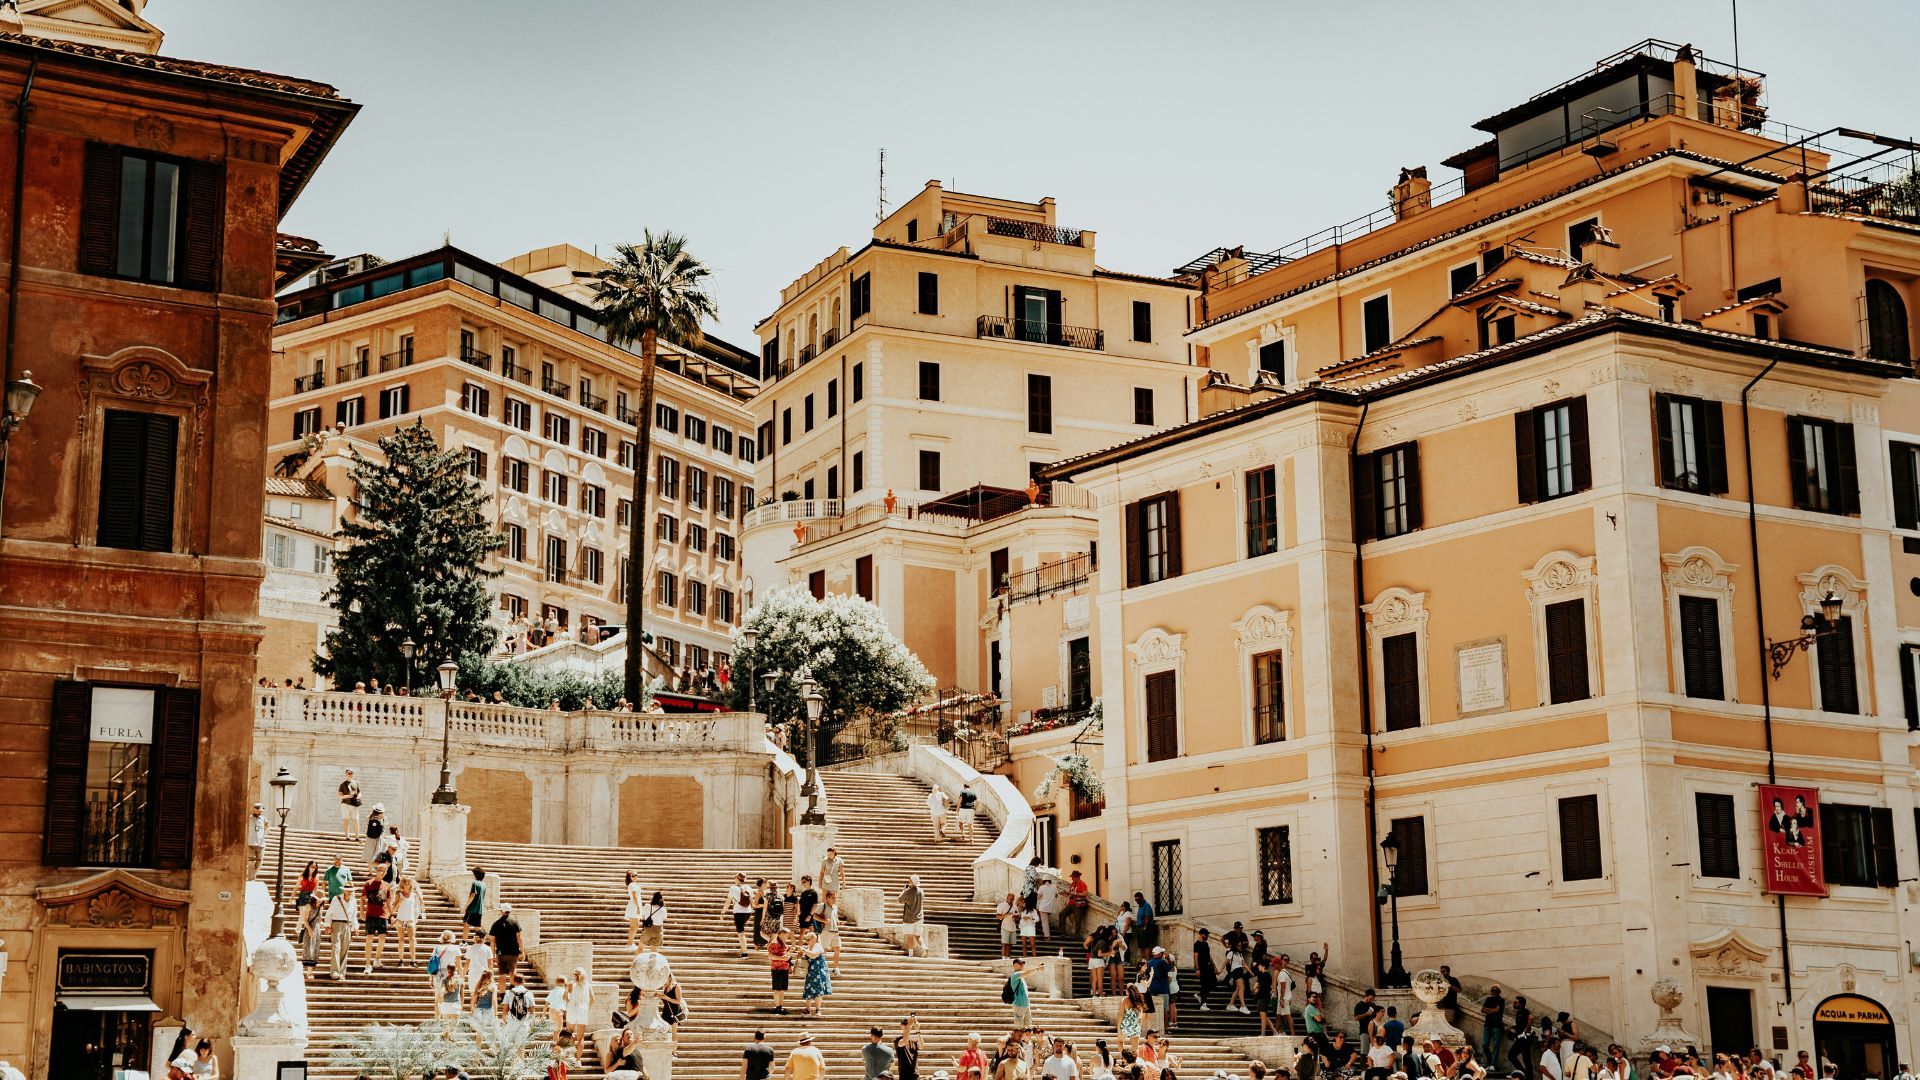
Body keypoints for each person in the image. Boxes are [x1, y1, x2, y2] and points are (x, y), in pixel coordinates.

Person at [489, 903, 523, 1001]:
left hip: (501, 953)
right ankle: (512, 991)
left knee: (502, 975)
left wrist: (493, 955)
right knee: (513, 972)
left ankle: (503, 996)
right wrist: (522, 951)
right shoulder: (515, 922)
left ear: (501, 911)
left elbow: (492, 940)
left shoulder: (496, 923)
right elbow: (519, 938)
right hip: (513, 952)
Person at [360, 871, 391, 973]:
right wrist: (361, 911)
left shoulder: (387, 885)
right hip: (371, 914)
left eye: (384, 871)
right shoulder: (368, 883)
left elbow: (388, 901)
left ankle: (377, 959)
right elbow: (363, 899)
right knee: (369, 938)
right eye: (379, 870)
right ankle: (367, 964)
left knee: (382, 938)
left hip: (383, 914)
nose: (381, 872)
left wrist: (392, 914)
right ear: (376, 871)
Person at [324, 883, 355, 981]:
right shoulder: (336, 899)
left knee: (345, 949)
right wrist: (328, 925)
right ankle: (334, 972)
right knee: (336, 948)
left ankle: (342, 972)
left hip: (347, 925)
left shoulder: (354, 901)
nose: (349, 891)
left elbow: (354, 915)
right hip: (336, 924)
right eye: (347, 889)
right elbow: (329, 913)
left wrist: (355, 927)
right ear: (344, 890)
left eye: (351, 890)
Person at [1142, 946, 1175, 1032]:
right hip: (1163, 988)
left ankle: (1154, 1027)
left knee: (1153, 1009)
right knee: (1165, 1009)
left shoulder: (1149, 962)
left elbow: (1146, 973)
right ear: (1160, 954)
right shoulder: (1162, 962)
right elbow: (1170, 968)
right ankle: (1165, 1028)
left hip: (1152, 988)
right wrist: (1170, 960)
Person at [801, 928, 832, 1016]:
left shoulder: (817, 945)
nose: (807, 941)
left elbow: (814, 955)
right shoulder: (809, 947)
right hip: (811, 972)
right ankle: (807, 1009)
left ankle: (818, 1010)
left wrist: (804, 950)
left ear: (814, 939)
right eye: (806, 939)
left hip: (819, 971)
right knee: (808, 989)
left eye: (808, 939)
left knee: (818, 990)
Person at [1263, 953, 1295, 1036]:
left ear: (1277, 964)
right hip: (1285, 997)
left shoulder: (1281, 974)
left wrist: (1280, 999)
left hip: (1284, 998)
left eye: (1273, 965)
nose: (1273, 966)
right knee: (1278, 1016)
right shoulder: (1286, 972)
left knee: (1288, 1016)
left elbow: (1283, 988)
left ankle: (1293, 1034)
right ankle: (1276, 1033)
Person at [463, 932, 494, 1011]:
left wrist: (462, 976)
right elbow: (490, 964)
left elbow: (467, 964)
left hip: (473, 974)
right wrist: (492, 977)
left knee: (473, 997)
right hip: (485, 975)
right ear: (484, 938)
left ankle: (474, 1017)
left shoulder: (470, 948)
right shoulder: (487, 948)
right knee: (485, 996)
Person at [394, 877, 421, 965]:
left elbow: (416, 908)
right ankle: (401, 960)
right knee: (401, 940)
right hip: (401, 920)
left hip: (410, 920)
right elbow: (394, 909)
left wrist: (416, 917)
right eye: (405, 883)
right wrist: (399, 902)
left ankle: (413, 960)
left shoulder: (414, 895)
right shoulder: (399, 894)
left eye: (408, 883)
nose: (406, 885)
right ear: (402, 884)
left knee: (412, 940)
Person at [730, 873, 758, 956]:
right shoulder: (748, 887)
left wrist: (723, 912)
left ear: (738, 879)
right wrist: (753, 909)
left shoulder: (733, 888)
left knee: (741, 933)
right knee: (741, 930)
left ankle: (745, 953)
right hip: (747, 912)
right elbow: (751, 901)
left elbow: (728, 901)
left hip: (738, 913)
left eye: (735, 878)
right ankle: (743, 949)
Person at [818, 889, 845, 975]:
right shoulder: (823, 906)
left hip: (835, 932)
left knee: (837, 949)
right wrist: (824, 920)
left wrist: (839, 922)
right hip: (826, 931)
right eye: (833, 898)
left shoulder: (835, 907)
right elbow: (814, 915)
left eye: (835, 898)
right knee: (823, 951)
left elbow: (835, 918)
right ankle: (821, 968)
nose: (834, 899)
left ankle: (835, 969)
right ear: (828, 898)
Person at [900, 875, 927, 957]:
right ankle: (924, 947)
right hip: (919, 917)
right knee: (918, 935)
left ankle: (911, 954)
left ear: (911, 882)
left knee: (910, 936)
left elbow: (900, 900)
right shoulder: (921, 891)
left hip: (909, 918)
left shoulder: (908, 891)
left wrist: (903, 890)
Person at [1192, 928, 1218, 1012]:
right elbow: (1195, 956)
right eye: (1206, 935)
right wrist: (1197, 969)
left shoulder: (1206, 944)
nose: (1207, 937)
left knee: (1214, 983)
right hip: (1202, 967)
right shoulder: (1197, 944)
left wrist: (1214, 966)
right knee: (1205, 984)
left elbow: (1209, 955)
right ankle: (1203, 1004)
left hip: (1209, 967)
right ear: (1202, 934)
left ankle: (1199, 995)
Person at [768, 927, 793, 1013]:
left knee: (782, 989)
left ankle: (780, 1007)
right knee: (777, 989)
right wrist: (783, 958)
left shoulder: (783, 943)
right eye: (787, 934)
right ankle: (777, 1007)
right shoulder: (775, 942)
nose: (788, 936)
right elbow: (770, 956)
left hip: (784, 968)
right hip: (777, 969)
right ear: (781, 933)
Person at [1120, 986, 1150, 1056]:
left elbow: (1122, 1014)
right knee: (1135, 1047)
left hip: (1126, 1024)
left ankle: (1124, 1058)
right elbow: (1141, 1016)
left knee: (1120, 1041)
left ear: (1128, 992)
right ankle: (1134, 1061)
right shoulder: (1139, 1001)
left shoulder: (1125, 1000)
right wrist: (1140, 1025)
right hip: (1136, 1025)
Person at [1481, 986, 1506, 1065]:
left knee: (1496, 1045)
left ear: (1499, 992)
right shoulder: (1488, 999)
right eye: (1492, 990)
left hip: (1497, 1025)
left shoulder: (1501, 1000)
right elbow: (1482, 1010)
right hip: (1488, 1024)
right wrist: (1493, 1010)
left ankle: (1493, 1064)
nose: (1493, 992)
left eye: (1495, 990)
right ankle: (1489, 1062)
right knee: (1485, 1045)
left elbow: (1497, 1010)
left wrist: (1488, 1010)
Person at [622, 870, 647, 949]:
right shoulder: (632, 885)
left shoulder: (634, 884)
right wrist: (639, 907)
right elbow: (634, 896)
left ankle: (630, 943)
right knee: (634, 926)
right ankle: (629, 944)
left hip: (635, 906)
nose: (635, 877)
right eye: (633, 876)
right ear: (629, 877)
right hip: (634, 906)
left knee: (635, 926)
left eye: (636, 875)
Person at [464, 867, 489, 939]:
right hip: (479, 909)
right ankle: (483, 938)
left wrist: (466, 906)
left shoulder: (475, 883)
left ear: (475, 874)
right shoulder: (483, 884)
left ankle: (464, 941)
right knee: (477, 926)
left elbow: (472, 895)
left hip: (472, 908)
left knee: (466, 924)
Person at [1008, 958, 1033, 1029]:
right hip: (1019, 1004)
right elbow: (1027, 973)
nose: (1022, 965)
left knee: (1028, 1027)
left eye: (1023, 964)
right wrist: (1037, 969)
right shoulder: (1015, 974)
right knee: (1018, 1027)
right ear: (1015, 965)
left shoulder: (1021, 976)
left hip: (1026, 1004)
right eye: (1020, 963)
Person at [897, 1016, 924, 1080]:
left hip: (915, 1074)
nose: (906, 1025)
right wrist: (909, 1025)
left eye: (908, 1023)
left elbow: (921, 1046)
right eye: (905, 1023)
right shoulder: (898, 1040)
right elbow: (905, 1041)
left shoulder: (914, 1041)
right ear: (901, 1026)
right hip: (904, 1074)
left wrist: (917, 1030)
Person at [997, 892, 1019, 959]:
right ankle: (1003, 957)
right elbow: (998, 916)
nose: (1011, 900)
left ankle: (1008, 957)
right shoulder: (1001, 905)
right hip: (1005, 926)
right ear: (1007, 898)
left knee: (1010, 944)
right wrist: (1006, 915)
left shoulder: (1014, 906)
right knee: (1004, 943)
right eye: (1010, 899)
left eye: (1012, 899)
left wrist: (1016, 917)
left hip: (1012, 927)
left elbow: (1017, 916)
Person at [1037, 875, 1061, 940]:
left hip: (1043, 907)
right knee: (1045, 921)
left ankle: (1047, 936)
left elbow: (1038, 897)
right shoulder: (1054, 887)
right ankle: (1045, 932)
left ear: (1043, 880)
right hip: (1050, 908)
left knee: (1044, 922)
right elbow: (1056, 895)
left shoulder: (1042, 887)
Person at [338, 769, 361, 836]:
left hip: (354, 804)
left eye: (351, 773)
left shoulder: (356, 783)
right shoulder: (342, 784)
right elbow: (340, 796)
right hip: (345, 804)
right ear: (346, 774)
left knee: (356, 820)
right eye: (349, 773)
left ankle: (357, 836)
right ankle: (347, 836)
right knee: (346, 820)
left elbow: (359, 793)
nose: (350, 774)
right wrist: (348, 796)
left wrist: (358, 796)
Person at [246, 803, 266, 878]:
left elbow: (267, 829)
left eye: (260, 811)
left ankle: (253, 875)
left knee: (260, 862)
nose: (259, 812)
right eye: (257, 811)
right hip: (251, 843)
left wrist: (267, 829)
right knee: (251, 862)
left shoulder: (264, 819)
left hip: (261, 844)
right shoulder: (249, 818)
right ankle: (251, 879)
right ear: (254, 810)